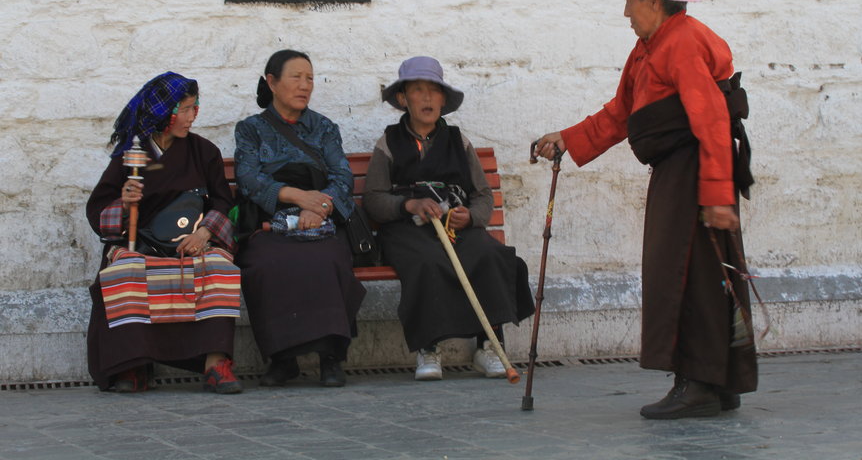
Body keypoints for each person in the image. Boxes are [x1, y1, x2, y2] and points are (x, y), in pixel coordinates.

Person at [533, 0, 757, 419]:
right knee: (694, 270)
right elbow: (621, 113)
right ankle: (717, 383)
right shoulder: (649, 47)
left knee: (688, 273)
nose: (626, 12)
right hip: (677, 172)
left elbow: (713, 122)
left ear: (654, 2)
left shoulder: (683, 44)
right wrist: (568, 139)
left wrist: (718, 197)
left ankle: (699, 384)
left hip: (694, 172)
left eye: (631, 0)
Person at [363, 56, 535, 381]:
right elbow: (373, 199)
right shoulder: (388, 143)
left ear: (443, 99)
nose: (427, 99)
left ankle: (489, 346)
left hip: (455, 228)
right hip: (407, 231)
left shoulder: (460, 142)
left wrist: (469, 216)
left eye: (434, 91)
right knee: (427, 261)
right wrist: (408, 207)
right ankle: (428, 347)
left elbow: (483, 195)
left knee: (490, 254)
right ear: (403, 99)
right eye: (418, 91)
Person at [85, 72, 242, 394]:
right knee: (125, 270)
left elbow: (224, 202)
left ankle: (216, 363)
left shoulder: (204, 152)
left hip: (193, 242)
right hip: (142, 244)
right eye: (184, 109)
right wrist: (125, 202)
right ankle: (134, 363)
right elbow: (97, 209)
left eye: (195, 107)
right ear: (163, 112)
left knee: (220, 267)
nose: (192, 116)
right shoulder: (132, 155)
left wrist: (204, 234)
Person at [234, 50, 366, 388]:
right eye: (296, 77)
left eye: (310, 78)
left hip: (320, 219)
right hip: (270, 220)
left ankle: (331, 357)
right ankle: (283, 358)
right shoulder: (251, 130)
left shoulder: (323, 128)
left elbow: (342, 177)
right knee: (266, 262)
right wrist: (297, 197)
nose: (305, 85)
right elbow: (249, 178)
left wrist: (318, 207)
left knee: (327, 258)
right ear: (272, 82)